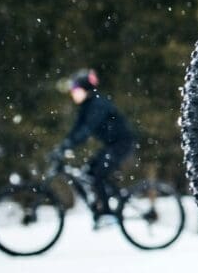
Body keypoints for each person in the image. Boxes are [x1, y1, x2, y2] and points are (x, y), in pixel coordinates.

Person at [50, 69, 137, 226]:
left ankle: (107, 214)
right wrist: (63, 146)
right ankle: (103, 201)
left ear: (85, 89)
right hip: (113, 144)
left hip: (122, 143)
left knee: (98, 174)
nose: (73, 94)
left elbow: (87, 129)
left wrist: (69, 145)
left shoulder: (98, 104)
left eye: (76, 90)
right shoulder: (86, 106)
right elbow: (76, 130)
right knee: (88, 172)